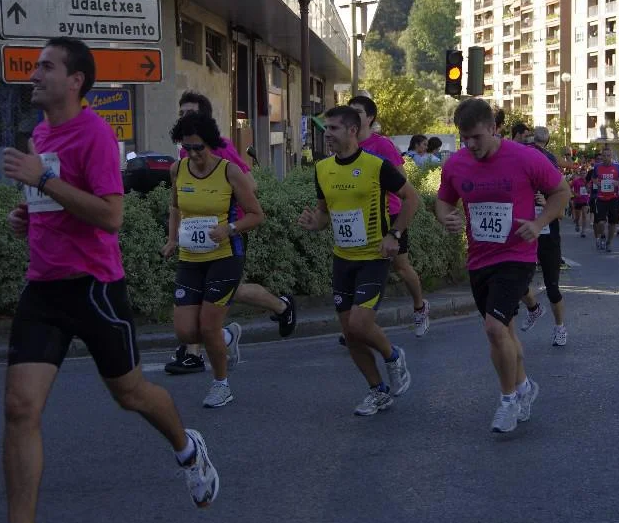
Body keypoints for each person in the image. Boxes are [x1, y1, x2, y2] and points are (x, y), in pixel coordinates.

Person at [0, 38, 218, 523]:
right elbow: (52, 201)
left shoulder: (96, 135)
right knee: (19, 407)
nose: (35, 74)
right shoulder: (40, 133)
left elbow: (110, 215)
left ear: (75, 80)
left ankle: (187, 447)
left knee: (131, 394)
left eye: (46, 67)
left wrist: (44, 180)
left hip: (94, 288)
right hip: (43, 288)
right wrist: (27, 213)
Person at [435, 99, 569, 433]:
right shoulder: (456, 164)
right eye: (465, 138)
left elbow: (561, 192)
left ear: (494, 128)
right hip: (479, 259)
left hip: (517, 257)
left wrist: (538, 223)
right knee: (504, 332)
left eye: (477, 137)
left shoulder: (526, 158)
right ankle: (524, 386)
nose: (471, 144)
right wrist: (447, 218)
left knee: (494, 328)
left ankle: (508, 401)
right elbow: (444, 201)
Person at [164, 91, 296, 375]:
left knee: (215, 305)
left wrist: (229, 222)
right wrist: (173, 238)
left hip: (228, 235)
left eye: (190, 113)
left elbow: (251, 187)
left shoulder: (221, 150)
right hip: (194, 247)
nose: (185, 118)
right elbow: (175, 204)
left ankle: (203, 356)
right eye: (181, 113)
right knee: (208, 308)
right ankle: (220, 337)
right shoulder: (182, 159)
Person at [298, 106, 417, 415]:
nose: (327, 135)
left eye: (334, 128)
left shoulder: (376, 165)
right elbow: (324, 213)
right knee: (350, 333)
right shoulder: (322, 169)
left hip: (373, 257)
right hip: (343, 259)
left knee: (360, 323)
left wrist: (394, 234)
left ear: (352, 130)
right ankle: (378, 391)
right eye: (325, 129)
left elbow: (411, 198)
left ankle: (393, 356)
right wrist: (315, 222)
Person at [161, 112, 264, 407]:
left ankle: (221, 384)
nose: (193, 154)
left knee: (207, 326)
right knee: (185, 331)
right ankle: (226, 337)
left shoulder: (230, 172)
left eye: (198, 148)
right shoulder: (177, 169)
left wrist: (229, 228)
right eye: (187, 148)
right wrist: (172, 239)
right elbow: (175, 207)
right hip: (190, 257)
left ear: (210, 143)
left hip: (225, 256)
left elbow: (257, 215)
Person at [348, 95, 431, 337]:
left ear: (370, 117)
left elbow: (403, 182)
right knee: (359, 267)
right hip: (361, 217)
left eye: (357, 112)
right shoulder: (347, 144)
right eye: (349, 111)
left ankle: (420, 307)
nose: (352, 116)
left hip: (390, 215)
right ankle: (357, 322)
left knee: (400, 266)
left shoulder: (382, 145)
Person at [517, 127, 570, 346]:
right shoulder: (520, 184)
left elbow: (561, 214)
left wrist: (545, 204)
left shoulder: (552, 186)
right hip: (526, 236)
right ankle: (534, 309)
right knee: (517, 282)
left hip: (548, 237)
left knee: (552, 287)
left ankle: (560, 327)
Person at [591, 147, 619, 252]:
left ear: (611, 156)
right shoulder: (597, 167)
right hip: (601, 198)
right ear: (602, 157)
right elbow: (593, 178)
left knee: (612, 223)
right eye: (604, 156)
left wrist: (618, 182)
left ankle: (609, 242)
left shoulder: (618, 167)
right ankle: (602, 236)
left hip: (613, 198)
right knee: (601, 222)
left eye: (608, 155)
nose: (606, 158)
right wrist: (597, 183)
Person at [570, 169, 590, 237]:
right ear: (580, 174)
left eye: (584, 173)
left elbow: (590, 190)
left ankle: (583, 231)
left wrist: (589, 190)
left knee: (584, 215)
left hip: (585, 200)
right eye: (582, 173)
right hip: (578, 200)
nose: (583, 175)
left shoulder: (588, 181)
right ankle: (577, 224)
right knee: (577, 217)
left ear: (586, 174)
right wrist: (574, 194)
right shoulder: (576, 181)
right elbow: (569, 188)